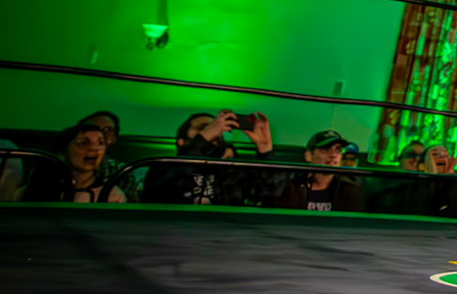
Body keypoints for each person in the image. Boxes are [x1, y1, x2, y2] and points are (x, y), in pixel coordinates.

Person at [144, 110, 274, 206]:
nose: (214, 132)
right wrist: (203, 138)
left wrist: (265, 150)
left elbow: (267, 195)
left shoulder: (230, 172)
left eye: (216, 128)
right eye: (202, 128)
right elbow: (160, 191)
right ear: (181, 141)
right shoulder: (163, 166)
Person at [20, 122, 124, 203]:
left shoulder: (113, 196)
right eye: (84, 143)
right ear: (63, 152)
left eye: (100, 143)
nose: (94, 148)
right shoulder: (35, 188)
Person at [274, 130, 363, 213]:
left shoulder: (349, 189)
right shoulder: (292, 187)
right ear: (309, 156)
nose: (333, 155)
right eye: (325, 149)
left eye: (337, 149)